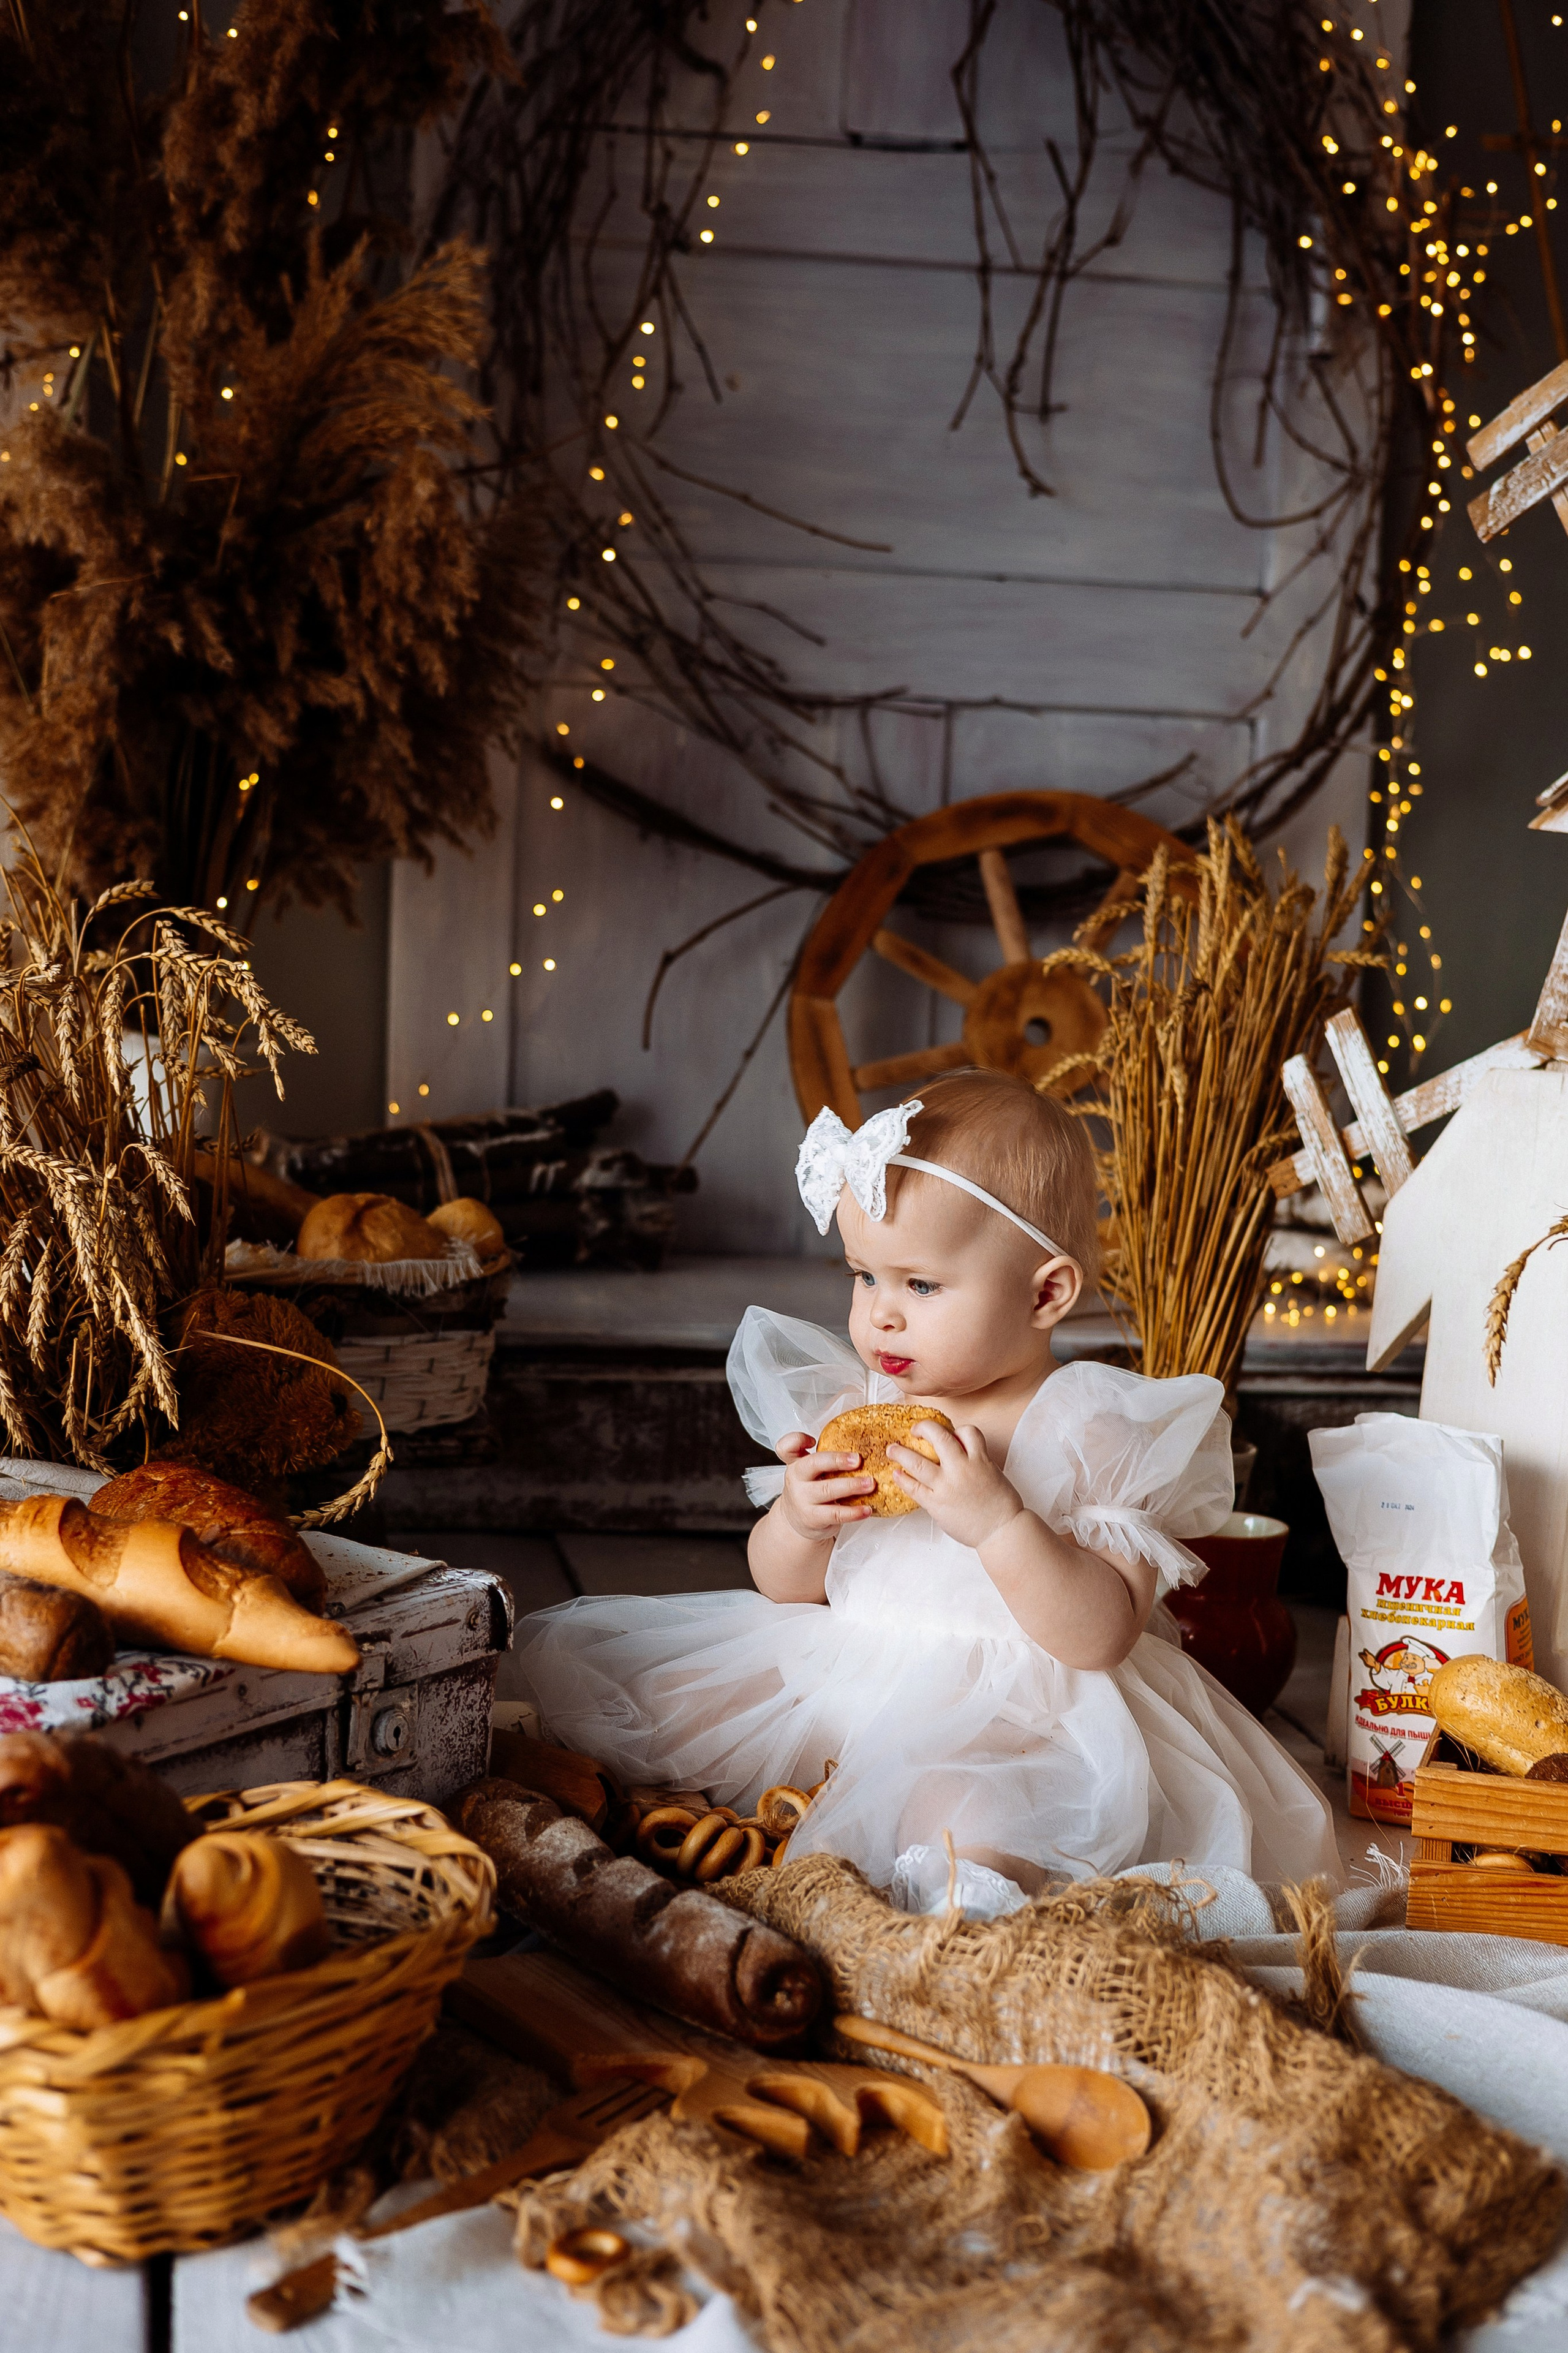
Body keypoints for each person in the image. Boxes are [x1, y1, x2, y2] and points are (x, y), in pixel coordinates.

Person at [515, 1070, 1341, 1898]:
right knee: (659, 1696)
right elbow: (785, 1589)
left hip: (1016, 1719)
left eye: (921, 1284)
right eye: (863, 1275)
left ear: (1045, 1292)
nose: (880, 1314)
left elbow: (1100, 1636)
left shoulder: (1090, 1426)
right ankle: (643, 1825)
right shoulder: (864, 1404)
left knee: (966, 1818)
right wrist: (802, 1521)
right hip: (846, 1674)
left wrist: (1000, 1522)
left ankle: (952, 1914)